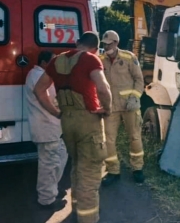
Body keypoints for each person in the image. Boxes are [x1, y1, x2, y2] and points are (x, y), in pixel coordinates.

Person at [33, 31, 112, 223]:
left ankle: (77, 208)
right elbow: (103, 88)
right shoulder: (90, 59)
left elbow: (39, 90)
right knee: (90, 172)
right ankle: (88, 219)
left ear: (77, 43)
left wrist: (55, 112)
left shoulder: (56, 61)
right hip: (88, 122)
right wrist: (107, 109)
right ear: (94, 48)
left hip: (67, 122)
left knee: (77, 166)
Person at [98, 30, 145, 186]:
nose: (106, 47)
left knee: (135, 137)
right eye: (104, 44)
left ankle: (137, 168)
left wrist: (135, 97)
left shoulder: (129, 58)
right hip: (110, 106)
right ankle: (113, 171)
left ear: (116, 43)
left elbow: (139, 80)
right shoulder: (100, 60)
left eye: (109, 44)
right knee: (109, 140)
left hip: (129, 105)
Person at [24, 50, 68, 211]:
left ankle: (52, 190)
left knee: (61, 156)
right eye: (52, 62)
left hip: (50, 127)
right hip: (46, 126)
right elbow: (51, 98)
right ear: (44, 63)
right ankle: (46, 199)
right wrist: (59, 112)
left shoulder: (36, 74)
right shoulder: (38, 76)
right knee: (49, 164)